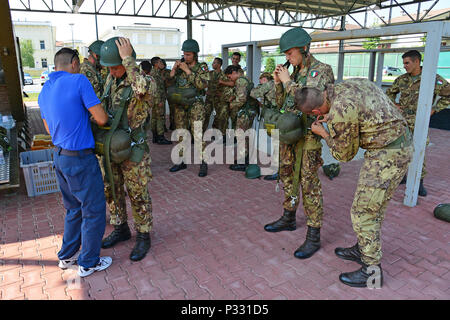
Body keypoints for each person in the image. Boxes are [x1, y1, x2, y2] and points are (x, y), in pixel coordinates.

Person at [294, 78, 413, 287]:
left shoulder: (341, 111)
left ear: (315, 112)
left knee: (363, 212)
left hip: (387, 154)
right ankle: (363, 248)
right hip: (397, 144)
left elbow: (344, 154)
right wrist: (334, 118)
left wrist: (324, 132)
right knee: (373, 207)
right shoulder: (345, 86)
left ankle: (372, 272)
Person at [38, 47, 112, 277]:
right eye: (78, 64)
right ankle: (88, 262)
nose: (79, 68)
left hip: (59, 157)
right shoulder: (78, 81)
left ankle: (67, 256)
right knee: (94, 210)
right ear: (72, 63)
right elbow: (101, 118)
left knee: (73, 209)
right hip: (80, 159)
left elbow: (49, 129)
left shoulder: (44, 90)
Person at [264, 27, 335, 261]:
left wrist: (288, 83)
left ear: (304, 49)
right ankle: (289, 216)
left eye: (290, 53)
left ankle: (313, 235)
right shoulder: (291, 73)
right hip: (289, 134)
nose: (287, 58)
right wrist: (278, 83)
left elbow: (309, 101)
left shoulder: (322, 71)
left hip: (309, 136)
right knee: (285, 174)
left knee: (309, 182)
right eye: (285, 54)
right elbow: (280, 103)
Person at [99, 37, 156, 262]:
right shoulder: (110, 81)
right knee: (112, 190)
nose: (112, 72)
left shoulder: (145, 81)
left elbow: (140, 88)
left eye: (116, 66)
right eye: (109, 68)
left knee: (137, 194)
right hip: (112, 147)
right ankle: (120, 227)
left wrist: (128, 59)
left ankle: (143, 235)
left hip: (133, 150)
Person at [386, 50, 450, 197]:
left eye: (407, 63)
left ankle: (418, 183)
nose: (404, 66)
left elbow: (448, 95)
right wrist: (394, 104)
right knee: (398, 149)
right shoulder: (402, 79)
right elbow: (390, 92)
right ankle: (400, 177)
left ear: (417, 62)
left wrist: (435, 108)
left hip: (419, 121)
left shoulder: (431, 79)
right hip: (401, 121)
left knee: (419, 151)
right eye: (403, 63)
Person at [167, 39, 210, 177]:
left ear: (195, 55)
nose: (185, 57)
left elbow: (202, 85)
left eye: (189, 55)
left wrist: (188, 71)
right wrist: (174, 70)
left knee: (198, 135)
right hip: (180, 105)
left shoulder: (201, 67)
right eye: (184, 54)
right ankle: (181, 161)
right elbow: (169, 82)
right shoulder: (180, 68)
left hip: (195, 105)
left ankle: (203, 163)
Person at [225, 65, 256, 171]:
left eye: (230, 77)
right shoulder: (246, 78)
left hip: (245, 112)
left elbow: (242, 99)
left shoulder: (240, 81)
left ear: (234, 72)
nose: (230, 79)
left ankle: (242, 162)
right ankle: (245, 159)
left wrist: (231, 105)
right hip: (250, 111)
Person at [249, 72, 279, 180]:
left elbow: (253, 93)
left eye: (261, 80)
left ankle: (277, 169)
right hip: (276, 114)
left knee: (276, 142)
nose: (260, 82)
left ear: (265, 79)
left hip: (273, 116)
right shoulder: (276, 84)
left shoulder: (269, 84)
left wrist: (259, 86)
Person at [149, 56, 172, 145]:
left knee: (154, 118)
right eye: (159, 62)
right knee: (160, 118)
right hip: (158, 99)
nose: (162, 63)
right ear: (155, 64)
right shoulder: (155, 74)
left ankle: (155, 137)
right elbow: (156, 89)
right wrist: (159, 101)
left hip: (155, 99)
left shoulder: (155, 72)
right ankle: (160, 137)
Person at [204, 57, 229, 136]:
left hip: (219, 99)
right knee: (205, 114)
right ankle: (202, 132)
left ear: (219, 65)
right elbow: (202, 82)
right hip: (209, 98)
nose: (212, 64)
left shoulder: (224, 75)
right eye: (213, 62)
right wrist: (205, 90)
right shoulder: (210, 74)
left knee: (219, 116)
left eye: (214, 63)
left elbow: (227, 86)